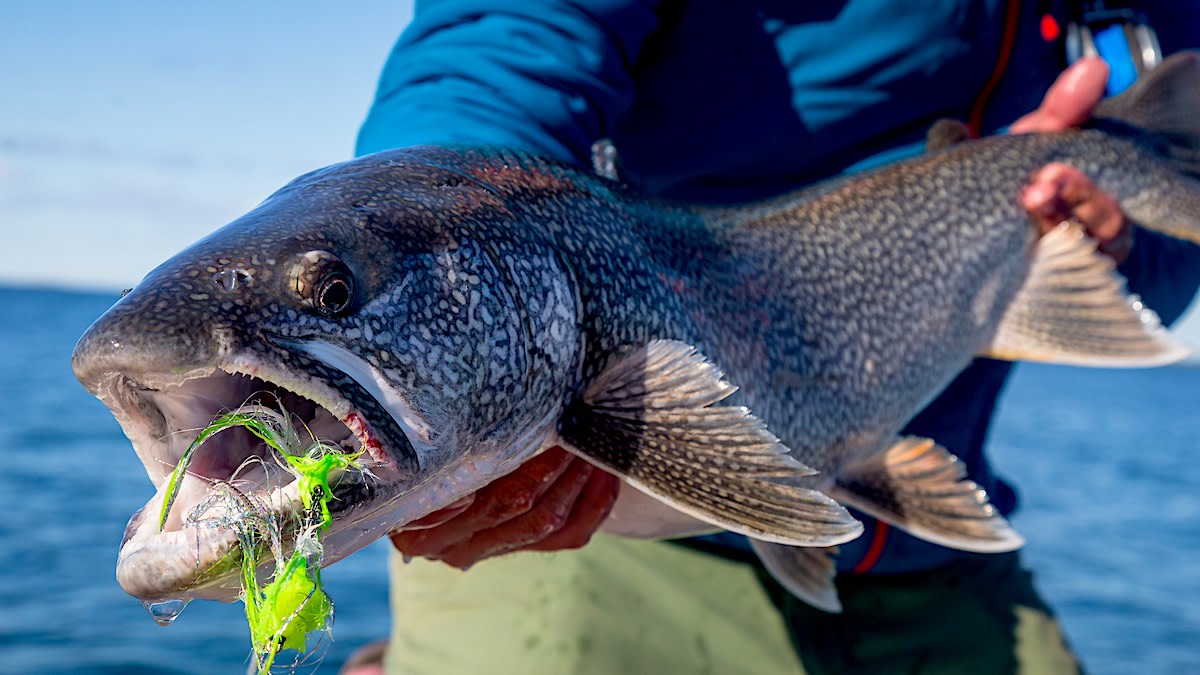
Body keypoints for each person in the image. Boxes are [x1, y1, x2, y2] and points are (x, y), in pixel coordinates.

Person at [346, 3, 1200, 673]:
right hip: (590, 523)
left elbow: (1162, 282)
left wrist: (1109, 245)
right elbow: (502, 38)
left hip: (918, 549)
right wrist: (419, 244)